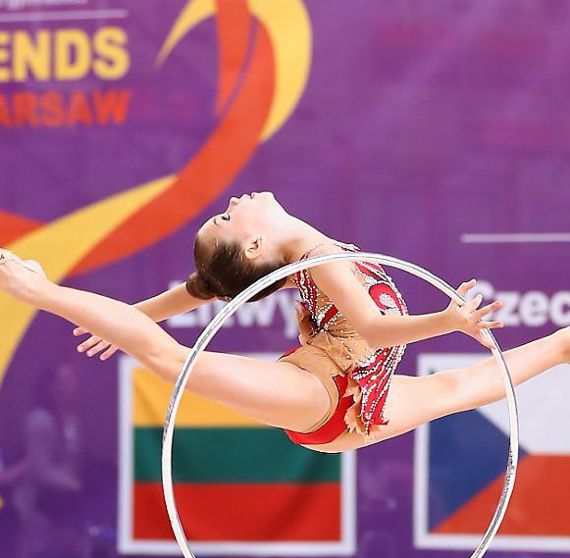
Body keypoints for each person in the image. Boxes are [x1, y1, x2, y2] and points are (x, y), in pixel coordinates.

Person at [0, 191, 567, 454]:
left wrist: (131, 316)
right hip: (321, 395)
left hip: (361, 400)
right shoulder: (322, 260)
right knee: (173, 361)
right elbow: (373, 329)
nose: (232, 201)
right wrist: (447, 320)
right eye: (225, 217)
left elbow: (203, 289)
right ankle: (38, 291)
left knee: (457, 388)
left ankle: (564, 345)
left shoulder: (299, 256)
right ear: (253, 244)